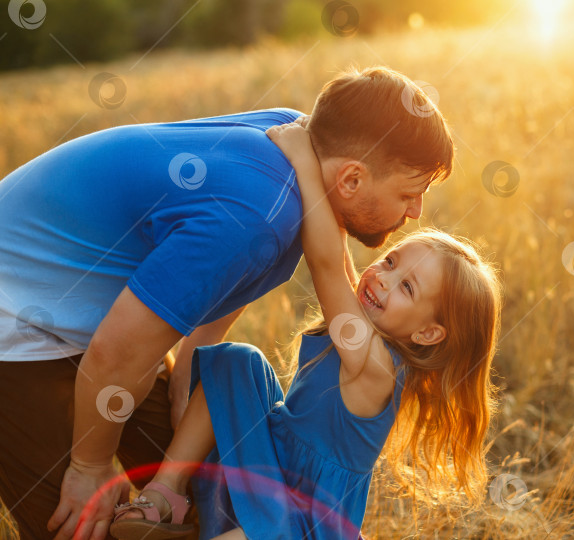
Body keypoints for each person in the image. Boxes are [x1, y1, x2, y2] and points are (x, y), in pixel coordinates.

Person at [0, 66, 454, 540]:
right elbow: (117, 351)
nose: (416, 211)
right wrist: (90, 465)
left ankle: (170, 503)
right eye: (409, 193)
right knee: (80, 523)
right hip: (16, 316)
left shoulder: (303, 141)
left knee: (206, 479)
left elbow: (236, 272)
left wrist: (184, 375)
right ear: (351, 179)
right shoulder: (257, 214)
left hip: (87, 314)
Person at [107, 119, 502, 539]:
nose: (383, 277)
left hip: (303, 520)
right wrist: (338, 180)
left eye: (406, 286)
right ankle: (167, 491)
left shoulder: (375, 368)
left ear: (427, 334)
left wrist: (302, 160)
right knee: (240, 363)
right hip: (271, 469)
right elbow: (338, 247)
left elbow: (328, 263)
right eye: (390, 261)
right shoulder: (365, 324)